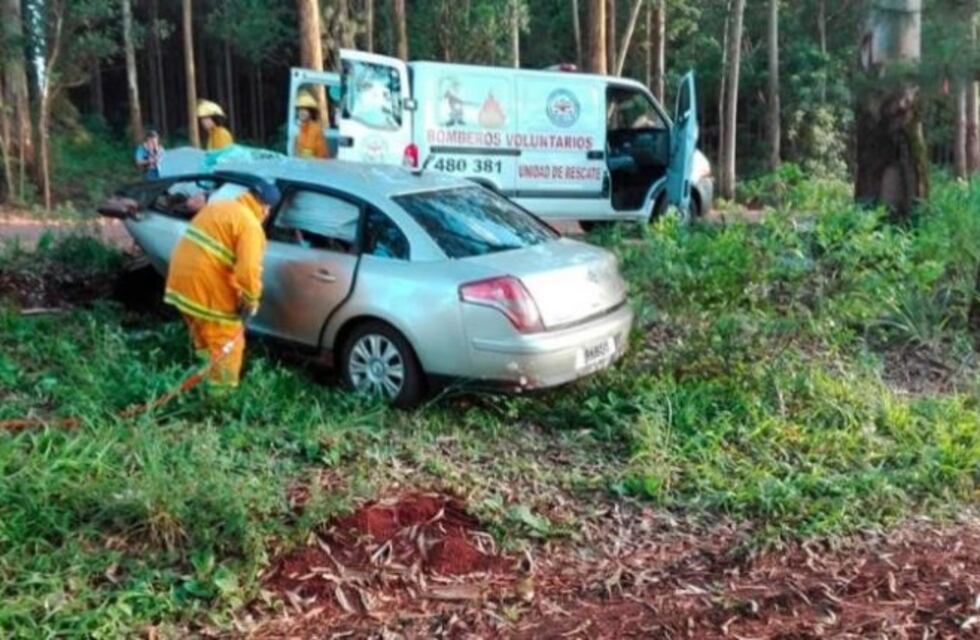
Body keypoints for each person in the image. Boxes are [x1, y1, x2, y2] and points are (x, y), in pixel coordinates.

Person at [163, 177, 281, 393]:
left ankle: (204, 380)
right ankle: (220, 401)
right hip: (205, 287)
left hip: (180, 283)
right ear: (266, 208)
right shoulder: (250, 226)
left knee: (204, 337)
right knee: (228, 343)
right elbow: (248, 270)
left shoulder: (219, 206)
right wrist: (251, 299)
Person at [294, 91, 328, 159]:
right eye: (300, 109)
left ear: (311, 112)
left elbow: (322, 155)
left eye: (305, 109)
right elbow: (296, 153)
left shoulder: (316, 129)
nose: (302, 112)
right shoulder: (299, 129)